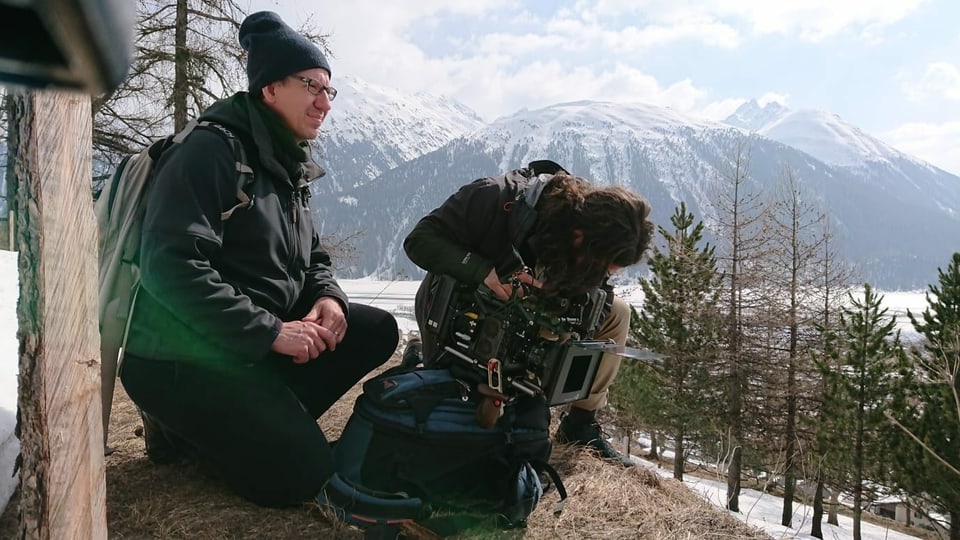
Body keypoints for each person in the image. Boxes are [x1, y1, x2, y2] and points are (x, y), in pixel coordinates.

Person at [118, 11, 399, 507]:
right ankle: (205, 434)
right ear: (270, 89)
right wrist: (272, 332)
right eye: (311, 85)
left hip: (244, 349)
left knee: (374, 328)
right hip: (182, 356)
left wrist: (329, 299)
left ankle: (253, 427)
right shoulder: (212, 151)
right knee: (301, 478)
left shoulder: (285, 164)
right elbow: (172, 265)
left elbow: (312, 256)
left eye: (329, 91)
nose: (323, 102)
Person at [402, 160, 654, 466]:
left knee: (618, 313)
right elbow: (419, 241)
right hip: (458, 304)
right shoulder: (493, 197)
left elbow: (599, 297)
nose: (600, 274)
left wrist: (570, 324)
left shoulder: (595, 239)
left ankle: (580, 424)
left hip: (532, 312)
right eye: (599, 266)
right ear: (578, 237)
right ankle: (421, 359)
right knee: (462, 409)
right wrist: (484, 271)